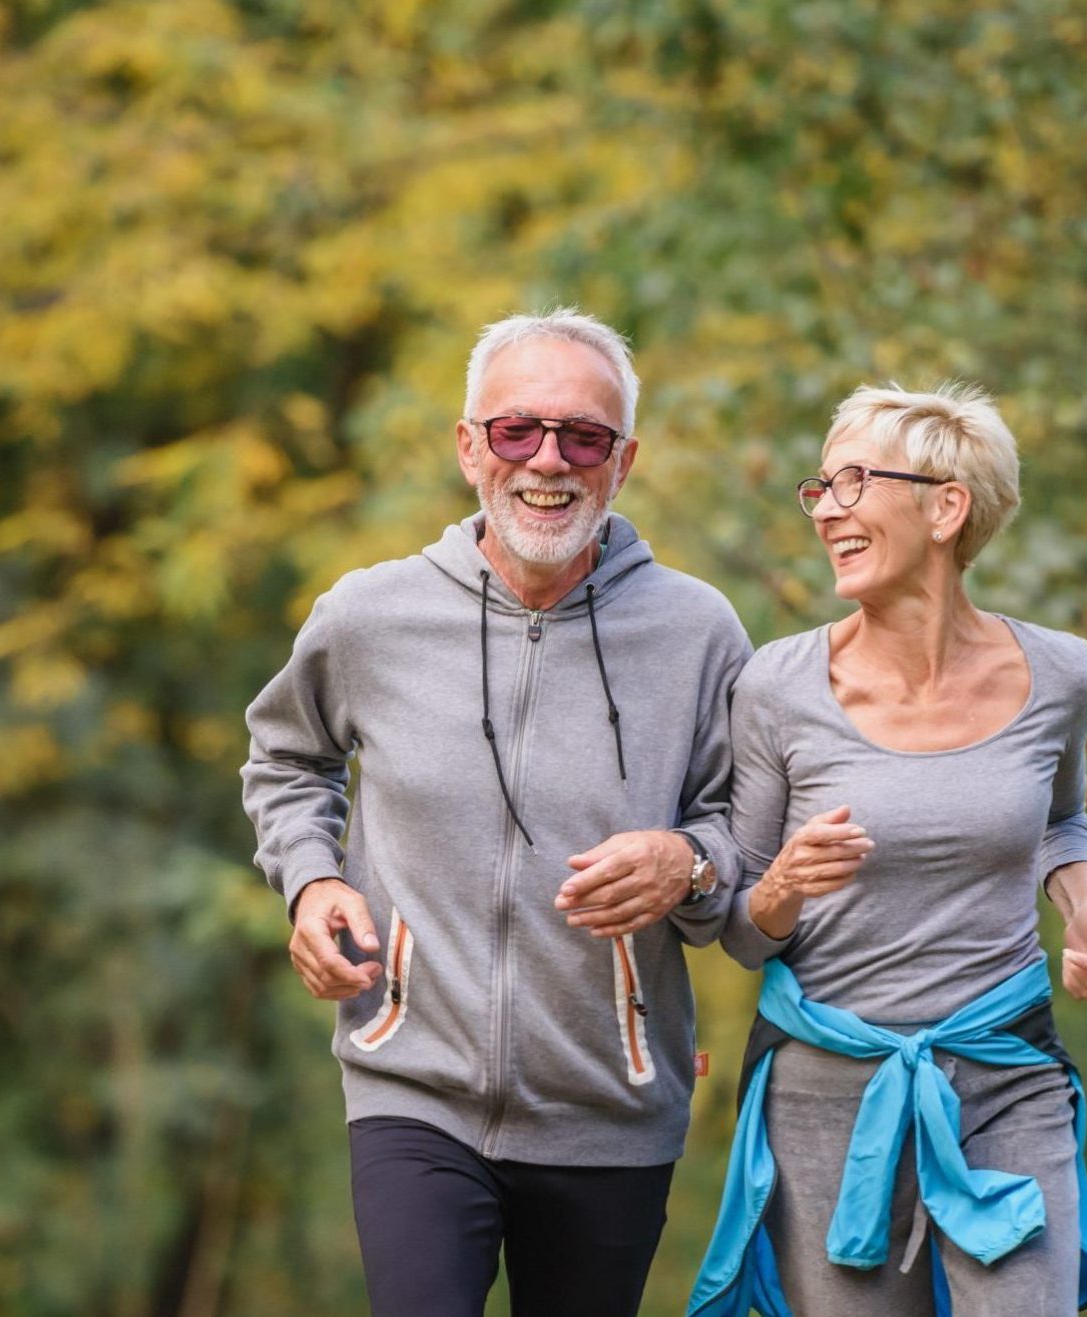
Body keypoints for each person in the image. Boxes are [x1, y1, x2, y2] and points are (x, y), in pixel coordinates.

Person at [241, 309, 751, 1317]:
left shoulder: (700, 632)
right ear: (470, 446)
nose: (548, 461)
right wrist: (311, 880)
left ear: (625, 460)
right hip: (411, 1087)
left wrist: (689, 862)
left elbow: (747, 832)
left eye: (583, 437)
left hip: (612, 1105)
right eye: (517, 430)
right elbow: (287, 758)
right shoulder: (369, 617)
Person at [689, 383, 1087, 1316]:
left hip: (1006, 1073)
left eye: (853, 479)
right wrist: (784, 884)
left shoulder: (1060, 673)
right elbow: (739, 929)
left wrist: (1085, 908)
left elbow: (1058, 821)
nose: (827, 507)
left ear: (946, 505)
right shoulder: (776, 688)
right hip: (826, 1096)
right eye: (820, 486)